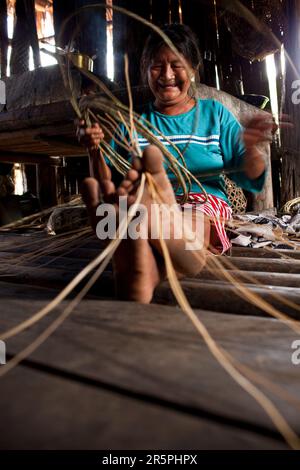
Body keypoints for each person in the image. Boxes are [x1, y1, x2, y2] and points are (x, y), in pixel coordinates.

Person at [78, 23, 273, 303]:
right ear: (146, 69)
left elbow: (251, 179)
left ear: (193, 68)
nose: (167, 75)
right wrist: (93, 148)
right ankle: (142, 272)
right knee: (132, 214)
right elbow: (107, 178)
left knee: (179, 218)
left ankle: (140, 238)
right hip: (145, 202)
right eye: (157, 66)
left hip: (200, 202)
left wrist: (252, 148)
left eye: (176, 65)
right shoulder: (133, 122)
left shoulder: (214, 114)